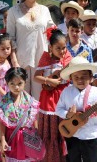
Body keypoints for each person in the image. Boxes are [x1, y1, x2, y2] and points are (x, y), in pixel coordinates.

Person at [7, 0, 55, 99]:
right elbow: (10, 38)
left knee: (40, 97)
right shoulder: (13, 11)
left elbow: (53, 32)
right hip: (21, 61)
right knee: (22, 98)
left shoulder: (45, 10)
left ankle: (39, 120)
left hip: (41, 61)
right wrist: (14, 61)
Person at [56, 56, 97, 162]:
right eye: (76, 77)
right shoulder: (66, 92)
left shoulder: (96, 91)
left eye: (84, 77)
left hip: (90, 135)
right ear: (71, 78)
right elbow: (58, 109)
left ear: (90, 77)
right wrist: (68, 115)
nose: (80, 80)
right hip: (71, 135)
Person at [34, 27, 72, 162]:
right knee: (49, 130)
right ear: (50, 47)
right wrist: (48, 80)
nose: (62, 51)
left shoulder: (68, 57)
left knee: (62, 127)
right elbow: (36, 77)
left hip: (64, 96)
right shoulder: (45, 57)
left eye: (64, 48)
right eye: (58, 48)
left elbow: (72, 75)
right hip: (48, 98)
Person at [0, 67, 40, 161]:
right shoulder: (4, 102)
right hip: (11, 138)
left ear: (25, 82)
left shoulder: (30, 101)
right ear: (7, 83)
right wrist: (3, 140)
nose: (16, 87)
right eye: (12, 84)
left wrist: (36, 135)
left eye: (20, 83)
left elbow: (34, 120)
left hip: (27, 138)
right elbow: (2, 124)